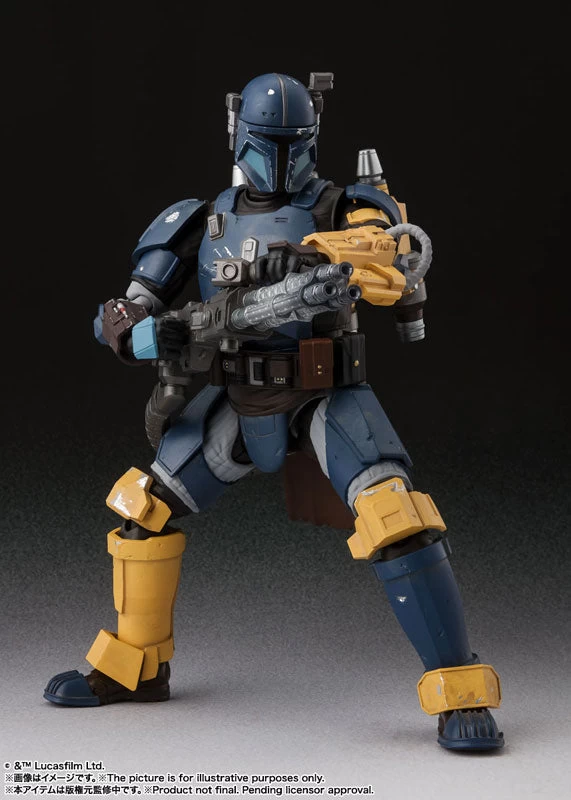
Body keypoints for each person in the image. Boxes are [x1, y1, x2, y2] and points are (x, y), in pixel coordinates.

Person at [44, 72, 503, 752]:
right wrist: (140, 332)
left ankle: (460, 689)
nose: (282, 160)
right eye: (268, 143)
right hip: (233, 393)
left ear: (313, 137)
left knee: (397, 518)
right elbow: (124, 309)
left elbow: (389, 264)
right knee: (143, 510)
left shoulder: (346, 205)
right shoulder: (201, 219)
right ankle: (135, 666)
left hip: (324, 392)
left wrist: (341, 253)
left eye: (295, 144)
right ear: (238, 132)